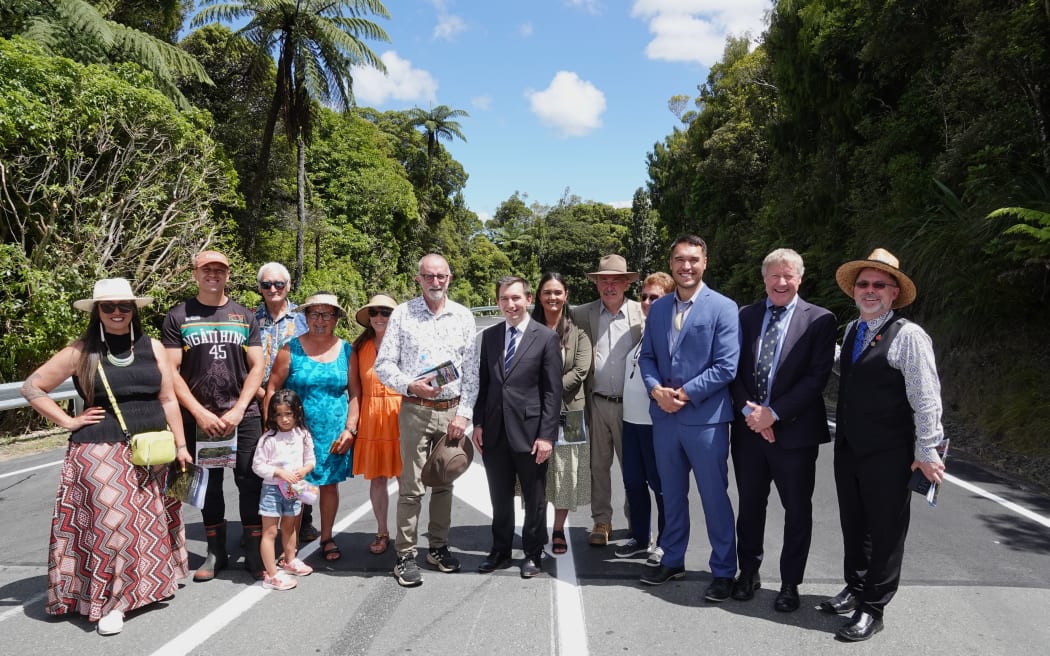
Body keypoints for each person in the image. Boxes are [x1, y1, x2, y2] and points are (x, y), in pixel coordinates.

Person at [21, 278, 192, 635]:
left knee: (150, 522)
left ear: (133, 310)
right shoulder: (81, 351)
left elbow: (168, 398)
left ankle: (149, 587)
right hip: (99, 450)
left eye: (123, 306)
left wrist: (180, 445)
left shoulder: (153, 347)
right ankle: (112, 604)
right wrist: (68, 420)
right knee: (115, 528)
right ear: (97, 311)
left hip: (152, 449)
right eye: (108, 306)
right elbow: (32, 386)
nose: (117, 312)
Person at [820, 248, 946, 642]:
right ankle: (855, 587)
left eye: (879, 284)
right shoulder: (852, 330)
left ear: (894, 293)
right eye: (863, 284)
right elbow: (853, 367)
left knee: (886, 531)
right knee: (854, 523)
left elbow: (926, 398)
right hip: (849, 447)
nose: (870, 290)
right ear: (854, 290)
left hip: (890, 453)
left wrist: (927, 450)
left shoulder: (909, 336)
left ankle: (873, 607)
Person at [729, 248, 836, 612]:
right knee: (750, 506)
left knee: (797, 511)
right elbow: (733, 371)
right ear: (764, 279)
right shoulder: (745, 316)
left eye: (788, 275)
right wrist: (753, 414)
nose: (781, 282)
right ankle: (748, 573)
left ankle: (790, 583)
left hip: (796, 434)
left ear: (800, 279)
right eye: (774, 275)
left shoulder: (820, 320)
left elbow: (816, 378)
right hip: (748, 432)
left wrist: (773, 415)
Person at [637, 235, 740, 602]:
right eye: (680, 259)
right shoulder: (659, 308)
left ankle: (724, 570)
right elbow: (647, 357)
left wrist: (683, 393)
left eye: (693, 259)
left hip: (706, 420)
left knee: (714, 497)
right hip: (665, 419)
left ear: (705, 262)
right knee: (672, 494)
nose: (686, 266)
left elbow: (726, 365)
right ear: (671, 264)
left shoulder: (723, 307)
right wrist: (656, 390)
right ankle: (673, 558)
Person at [375, 253, 479, 588]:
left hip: (451, 411)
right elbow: (383, 364)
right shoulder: (403, 314)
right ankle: (405, 554)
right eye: (429, 276)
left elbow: (471, 372)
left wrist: (464, 413)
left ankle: (437, 547)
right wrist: (409, 385)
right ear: (418, 279)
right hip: (415, 408)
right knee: (411, 486)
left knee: (445, 481)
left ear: (450, 278)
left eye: (441, 276)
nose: (436, 282)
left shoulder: (463, 316)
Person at [162, 250, 266, 581]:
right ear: (194, 273)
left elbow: (258, 366)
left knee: (250, 480)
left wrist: (239, 409)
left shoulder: (244, 316)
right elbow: (171, 371)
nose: (213, 275)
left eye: (220, 270)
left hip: (242, 415)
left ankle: (254, 550)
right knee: (209, 485)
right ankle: (216, 551)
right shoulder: (178, 316)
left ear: (227, 275)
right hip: (200, 418)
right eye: (206, 269)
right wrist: (198, 412)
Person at [473, 276, 563, 578]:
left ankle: (533, 553)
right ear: (498, 302)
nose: (510, 304)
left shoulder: (546, 338)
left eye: (515, 298)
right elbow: (485, 384)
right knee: (499, 497)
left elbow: (552, 392)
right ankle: (500, 551)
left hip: (531, 433)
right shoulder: (490, 336)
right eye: (504, 299)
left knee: (535, 499)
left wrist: (547, 435)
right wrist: (478, 423)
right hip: (494, 431)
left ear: (528, 299)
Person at [265, 292, 359, 563]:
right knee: (294, 487)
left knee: (329, 486)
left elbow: (355, 393)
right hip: (295, 434)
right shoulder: (289, 349)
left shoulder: (347, 351)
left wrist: (350, 429)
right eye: (315, 314)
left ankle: (327, 537)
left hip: (333, 433)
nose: (320, 320)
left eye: (327, 314)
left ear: (336, 319)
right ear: (305, 317)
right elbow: (272, 389)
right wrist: (270, 431)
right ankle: (290, 545)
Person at [570, 254, 644, 546]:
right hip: (597, 402)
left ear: (627, 283)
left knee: (633, 469)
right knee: (597, 467)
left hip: (632, 404)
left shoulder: (642, 313)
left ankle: (637, 522)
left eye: (616, 280)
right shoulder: (581, 314)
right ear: (596, 284)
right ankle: (602, 521)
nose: (609, 286)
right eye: (604, 280)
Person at [531, 272, 592, 556]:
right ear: (539, 296)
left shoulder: (579, 333)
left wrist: (549, 392)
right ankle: (537, 527)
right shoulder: (529, 330)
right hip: (535, 412)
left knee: (566, 472)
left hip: (571, 412)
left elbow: (580, 371)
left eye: (557, 292)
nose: (552, 297)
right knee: (536, 471)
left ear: (566, 295)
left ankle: (558, 529)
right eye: (547, 292)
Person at [616, 272, 674, 565]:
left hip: (655, 424)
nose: (648, 302)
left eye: (656, 297)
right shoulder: (643, 332)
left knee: (661, 487)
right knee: (633, 482)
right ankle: (640, 537)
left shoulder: (670, 332)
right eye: (644, 296)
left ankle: (666, 542)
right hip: (631, 422)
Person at [254, 262, 314, 541]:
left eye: (279, 284)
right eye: (266, 284)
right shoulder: (250, 319)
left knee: (297, 459)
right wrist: (260, 394)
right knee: (264, 459)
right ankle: (264, 521)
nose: (273, 289)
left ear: (288, 286)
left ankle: (303, 520)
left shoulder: (302, 318)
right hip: (258, 396)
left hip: (294, 401)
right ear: (259, 288)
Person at [351, 294, 403, 555]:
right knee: (378, 480)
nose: (379, 317)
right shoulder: (359, 347)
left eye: (386, 312)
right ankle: (382, 531)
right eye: (374, 312)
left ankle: (406, 536)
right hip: (371, 417)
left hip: (400, 415)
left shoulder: (406, 343)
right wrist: (352, 424)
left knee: (407, 481)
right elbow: (355, 389)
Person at [252, 389, 315, 590]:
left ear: (297, 412)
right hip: (272, 490)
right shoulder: (268, 438)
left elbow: (311, 460)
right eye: (279, 414)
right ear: (273, 415)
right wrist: (278, 472)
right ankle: (271, 574)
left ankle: (290, 560)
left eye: (288, 414)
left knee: (290, 527)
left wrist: (304, 470)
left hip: (294, 489)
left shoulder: (303, 435)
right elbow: (257, 465)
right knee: (270, 531)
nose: (284, 419)